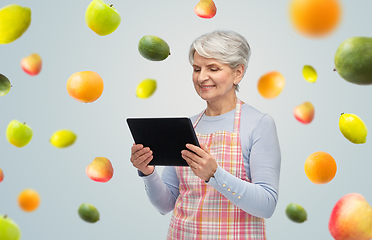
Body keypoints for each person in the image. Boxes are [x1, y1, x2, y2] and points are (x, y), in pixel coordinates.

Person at [130, 30, 281, 240]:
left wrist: (215, 175)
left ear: (238, 73)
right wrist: (147, 172)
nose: (201, 77)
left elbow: (267, 206)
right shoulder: (187, 126)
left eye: (213, 68)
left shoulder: (259, 123)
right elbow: (166, 204)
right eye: (196, 69)